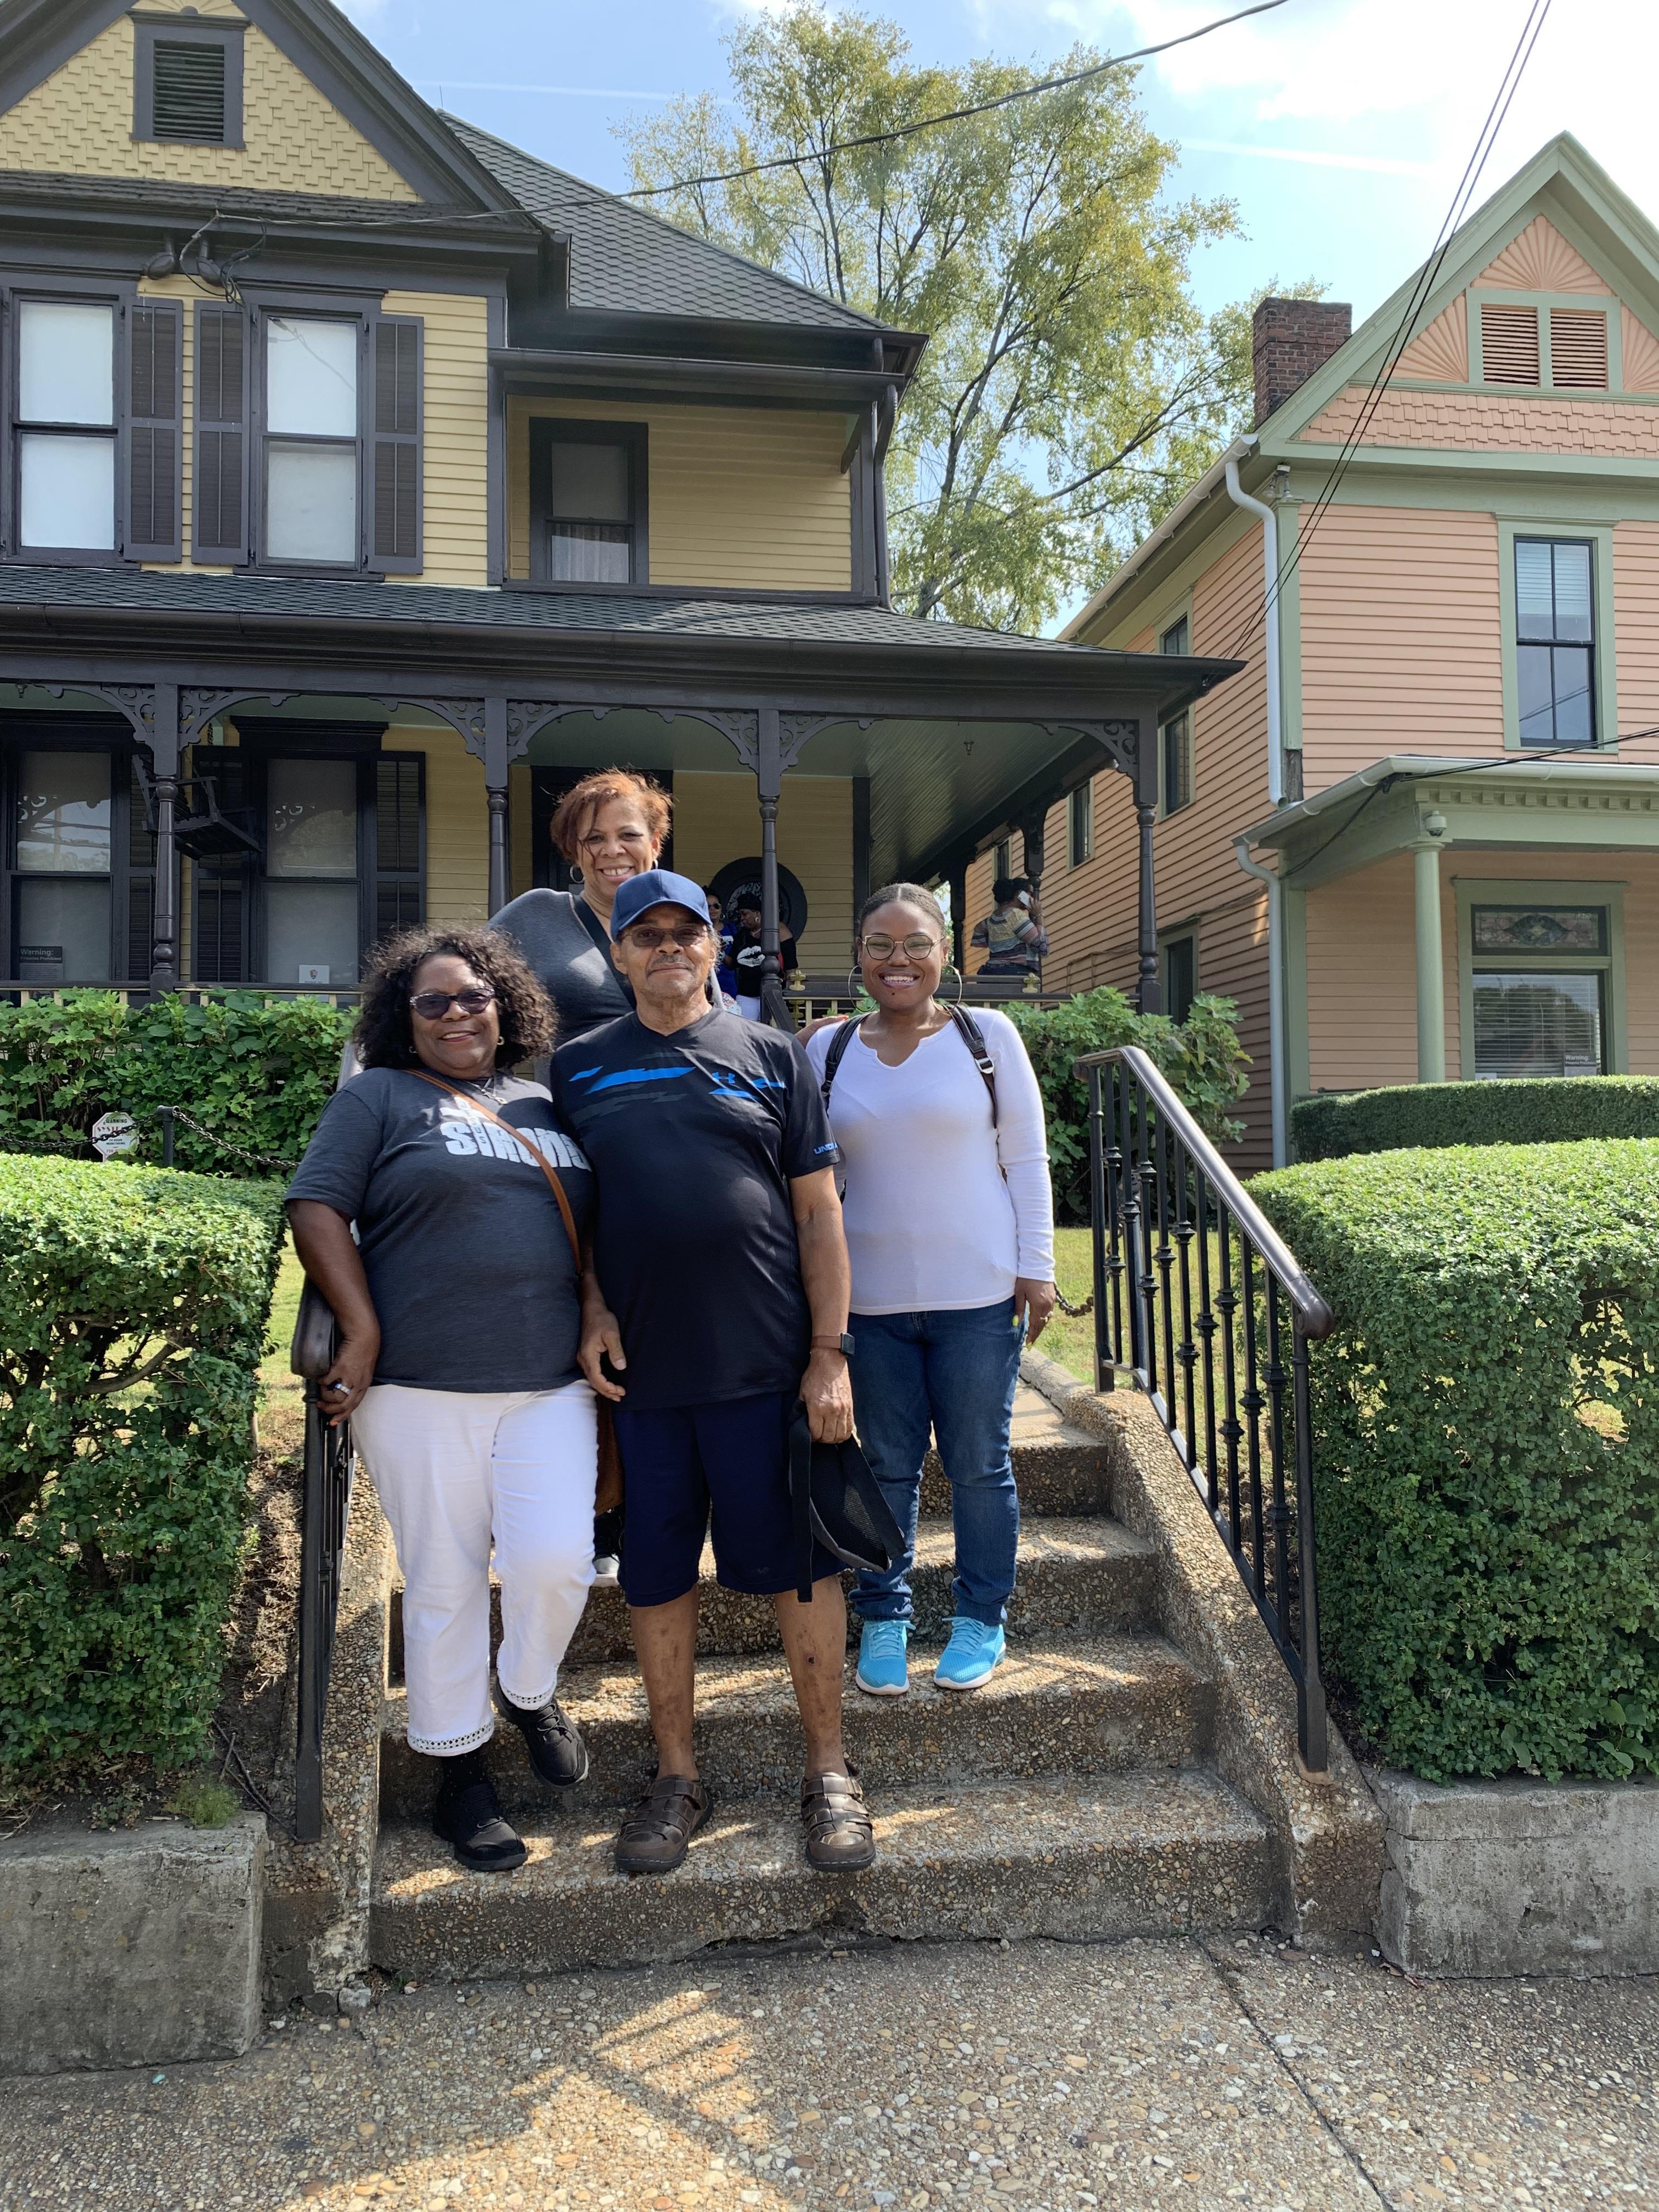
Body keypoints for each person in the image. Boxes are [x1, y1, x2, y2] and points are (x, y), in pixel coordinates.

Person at [548, 868, 874, 1879]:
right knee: (653, 1575)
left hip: (767, 1364)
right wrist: (593, 1306)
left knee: (802, 1569)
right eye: (642, 934)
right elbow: (577, 1212)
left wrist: (829, 1355)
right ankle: (676, 1775)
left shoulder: (773, 1056)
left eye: (682, 931)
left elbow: (818, 1212)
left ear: (710, 945)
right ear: (617, 953)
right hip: (642, 1378)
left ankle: (828, 1772)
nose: (665, 948)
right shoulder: (578, 1068)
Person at [286, 926, 597, 1875]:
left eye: (473, 996)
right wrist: (361, 1327)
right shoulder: (378, 1097)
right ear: (402, 1019)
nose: (458, 1013)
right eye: (433, 1002)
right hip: (418, 1384)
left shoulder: (548, 1099)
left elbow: (603, 1220)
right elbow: (315, 1204)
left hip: (550, 1380)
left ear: (504, 1002)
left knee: (556, 1562)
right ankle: (458, 1773)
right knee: (444, 1580)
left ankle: (527, 1687)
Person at [804, 884, 1056, 1697]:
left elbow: (1026, 1156)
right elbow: (805, 1172)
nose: (898, 959)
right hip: (868, 1303)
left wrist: (1038, 1266)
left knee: (980, 1465)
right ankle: (884, 1614)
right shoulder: (828, 1052)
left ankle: (981, 1616)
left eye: (916, 942)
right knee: (882, 1466)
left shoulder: (989, 1036)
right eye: (880, 943)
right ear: (860, 956)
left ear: (946, 952)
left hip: (978, 1296)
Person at [493, 769, 674, 1585]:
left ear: (656, 839)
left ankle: (643, 1516)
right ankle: (583, 1520)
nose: (612, 851)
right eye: (594, 837)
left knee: (652, 1330)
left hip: (660, 1158)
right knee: (575, 1331)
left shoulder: (676, 915)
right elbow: (460, 992)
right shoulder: (538, 918)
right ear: (572, 847)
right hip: (562, 1155)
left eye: (627, 833)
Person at [720, 884, 798, 1020]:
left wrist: (790, 993)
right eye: (740, 915)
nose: (742, 919)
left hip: (773, 994)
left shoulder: (778, 931)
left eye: (745, 914)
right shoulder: (742, 936)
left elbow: (791, 965)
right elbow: (731, 964)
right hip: (747, 994)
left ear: (757, 913)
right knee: (745, 1030)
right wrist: (719, 953)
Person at [970, 874, 1048, 983]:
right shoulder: (1015, 915)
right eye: (1030, 894)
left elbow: (978, 931)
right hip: (1014, 974)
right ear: (1020, 894)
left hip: (991, 974)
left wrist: (1001, 944)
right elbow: (1042, 947)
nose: (1032, 898)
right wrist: (1039, 916)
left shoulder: (992, 918)